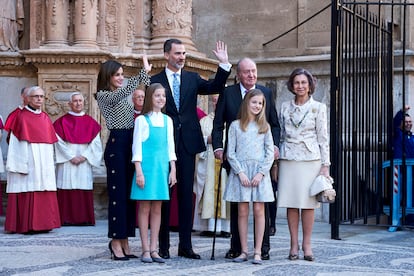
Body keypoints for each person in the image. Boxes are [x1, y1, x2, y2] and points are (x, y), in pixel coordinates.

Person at [151, 38, 231, 259]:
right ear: (166, 55)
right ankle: (163, 246)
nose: (182, 57)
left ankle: (185, 246)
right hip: (162, 144)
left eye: (184, 53)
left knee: (186, 195)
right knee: (164, 196)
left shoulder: (192, 78)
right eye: (177, 53)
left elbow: (214, 87)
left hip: (187, 144)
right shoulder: (154, 81)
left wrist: (224, 65)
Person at [212, 57, 280, 260]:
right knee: (238, 207)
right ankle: (237, 248)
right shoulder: (228, 93)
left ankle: (262, 249)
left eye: (254, 71)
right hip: (236, 161)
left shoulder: (265, 93)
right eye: (247, 72)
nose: (251, 75)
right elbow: (217, 124)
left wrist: (275, 146)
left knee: (262, 208)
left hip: (260, 164)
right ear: (239, 74)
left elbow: (274, 124)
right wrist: (218, 147)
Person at [95, 56, 152, 261]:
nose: (120, 78)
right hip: (117, 145)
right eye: (117, 75)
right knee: (118, 198)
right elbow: (127, 91)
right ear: (108, 76)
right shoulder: (103, 95)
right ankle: (115, 242)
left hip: (129, 144)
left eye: (122, 75)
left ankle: (125, 240)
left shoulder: (120, 95)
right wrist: (143, 74)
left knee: (129, 197)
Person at [277, 68, 330, 262]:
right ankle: (293, 245)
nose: (300, 86)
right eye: (297, 82)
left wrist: (325, 165)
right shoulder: (284, 107)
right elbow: (280, 134)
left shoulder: (318, 108)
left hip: (311, 159)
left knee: (308, 205)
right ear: (292, 85)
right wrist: (276, 163)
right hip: (288, 159)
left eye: (303, 83)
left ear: (310, 85)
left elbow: (323, 138)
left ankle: (307, 245)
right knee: (291, 203)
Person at [223, 89, 275, 265]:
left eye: (260, 103)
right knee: (243, 211)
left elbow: (269, 152)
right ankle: (244, 250)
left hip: (259, 173)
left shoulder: (264, 127)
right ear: (246, 103)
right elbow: (230, 153)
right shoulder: (236, 126)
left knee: (260, 210)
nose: (257, 106)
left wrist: (261, 172)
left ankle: (258, 251)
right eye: (254, 102)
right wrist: (240, 172)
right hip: (242, 174)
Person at [4, 86, 61, 234]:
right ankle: (27, 225)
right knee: (28, 188)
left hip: (44, 162)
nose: (39, 99)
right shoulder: (20, 117)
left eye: (42, 96)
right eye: (36, 96)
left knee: (44, 187)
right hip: (27, 160)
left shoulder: (45, 118)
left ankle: (44, 224)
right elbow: (15, 145)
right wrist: (20, 165)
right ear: (27, 98)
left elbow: (50, 144)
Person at [131, 83, 177, 263]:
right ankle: (144, 249)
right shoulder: (141, 120)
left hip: (161, 168)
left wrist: (173, 169)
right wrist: (139, 171)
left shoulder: (168, 120)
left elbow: (170, 147)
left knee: (158, 207)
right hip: (146, 169)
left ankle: (154, 248)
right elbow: (137, 148)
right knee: (144, 207)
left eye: (163, 96)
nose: (161, 99)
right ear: (150, 97)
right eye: (157, 95)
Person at [53, 92, 103, 226]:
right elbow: (57, 141)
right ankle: (65, 218)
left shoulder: (90, 122)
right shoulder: (61, 122)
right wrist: (70, 156)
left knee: (83, 186)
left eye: (80, 101)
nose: (78, 103)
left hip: (84, 160)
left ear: (84, 103)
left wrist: (84, 156)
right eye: (75, 101)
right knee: (66, 185)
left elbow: (96, 143)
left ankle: (84, 218)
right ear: (69, 104)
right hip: (67, 161)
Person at [193, 94, 230, 237]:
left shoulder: (230, 121)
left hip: (225, 162)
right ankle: (208, 226)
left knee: (225, 192)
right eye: (214, 101)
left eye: (219, 101)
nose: (217, 104)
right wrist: (206, 139)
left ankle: (225, 228)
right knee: (208, 191)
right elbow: (197, 141)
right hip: (208, 161)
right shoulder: (204, 121)